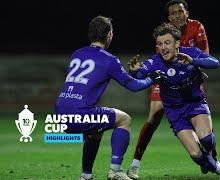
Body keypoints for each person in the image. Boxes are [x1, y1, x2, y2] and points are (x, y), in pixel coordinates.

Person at [55, 16, 163, 180]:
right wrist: (152, 79)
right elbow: (133, 86)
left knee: (96, 130)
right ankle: (115, 171)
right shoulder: (109, 60)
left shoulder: (77, 54)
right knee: (124, 120)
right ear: (109, 35)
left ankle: (86, 176)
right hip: (81, 114)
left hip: (59, 115)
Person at [128, 23, 220, 180]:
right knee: (195, 155)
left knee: (207, 139)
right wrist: (133, 72)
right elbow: (139, 77)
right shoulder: (155, 62)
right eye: (159, 44)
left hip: (195, 103)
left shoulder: (190, 53)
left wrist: (194, 61)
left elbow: (215, 63)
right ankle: (214, 167)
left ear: (177, 43)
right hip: (175, 111)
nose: (162, 47)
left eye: (167, 42)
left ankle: (214, 163)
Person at [128, 0, 211, 178]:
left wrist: (198, 69)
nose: (177, 16)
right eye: (173, 13)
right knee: (155, 115)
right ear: (169, 17)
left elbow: (204, 55)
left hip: (189, 77)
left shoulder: (197, 27)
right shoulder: (165, 33)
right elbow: (161, 58)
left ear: (187, 13)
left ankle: (212, 158)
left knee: (202, 118)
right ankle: (135, 163)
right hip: (167, 77)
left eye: (180, 12)